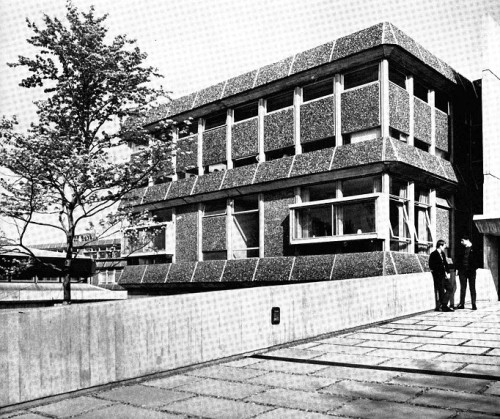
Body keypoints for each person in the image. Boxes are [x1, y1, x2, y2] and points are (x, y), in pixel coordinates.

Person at [429, 240, 454, 312]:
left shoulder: (442, 253)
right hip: (438, 276)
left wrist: (448, 272)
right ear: (440, 246)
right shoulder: (433, 254)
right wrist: (439, 273)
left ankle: (444, 304)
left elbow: (445, 264)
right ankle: (444, 306)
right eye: (444, 246)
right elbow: (432, 266)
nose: (445, 247)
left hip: (444, 275)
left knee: (450, 288)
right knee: (441, 291)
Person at [456, 235, 480, 310]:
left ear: (467, 240)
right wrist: (458, 269)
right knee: (463, 288)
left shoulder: (475, 248)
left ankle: (473, 304)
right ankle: (461, 304)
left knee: (472, 287)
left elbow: (478, 260)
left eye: (462, 240)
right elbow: (458, 259)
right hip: (462, 271)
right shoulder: (461, 249)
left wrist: (474, 268)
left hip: (471, 271)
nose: (461, 242)